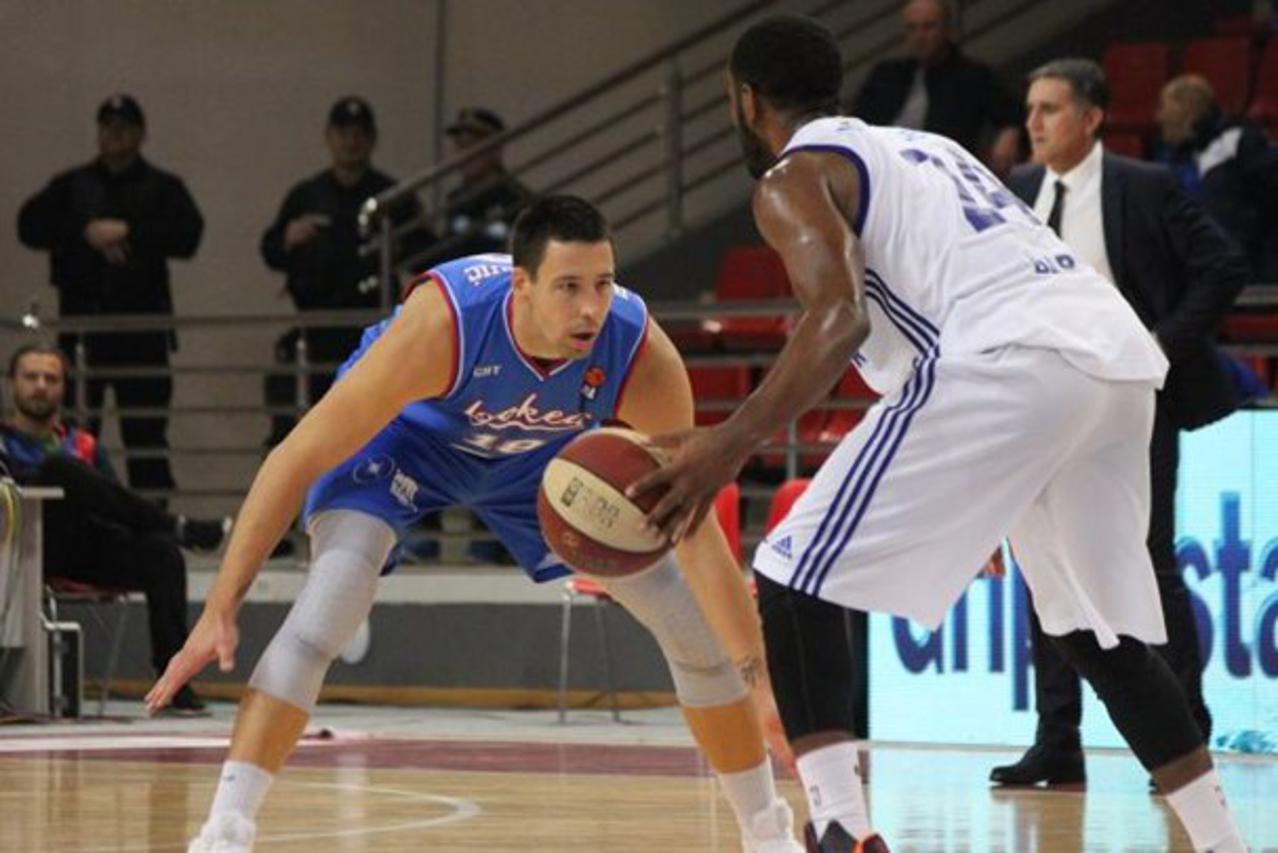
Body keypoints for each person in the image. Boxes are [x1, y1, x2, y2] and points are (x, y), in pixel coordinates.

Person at [631, 15, 1249, 852]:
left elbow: (840, 317)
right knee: (1093, 633)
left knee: (789, 571)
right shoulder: (928, 147)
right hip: (1110, 361)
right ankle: (1224, 842)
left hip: (1007, 363)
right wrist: (981, 485)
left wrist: (725, 443)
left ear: (746, 101)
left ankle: (840, 827)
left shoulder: (792, 176)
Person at [147, 196, 802, 853]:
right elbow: (293, 459)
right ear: (523, 286)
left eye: (602, 284)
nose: (590, 308)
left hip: (539, 465)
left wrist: (762, 683)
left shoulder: (637, 351)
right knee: (332, 602)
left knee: (684, 618)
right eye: (568, 287)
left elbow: (696, 532)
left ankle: (768, 834)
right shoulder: (445, 324)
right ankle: (224, 832)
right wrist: (222, 605)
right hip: (404, 440)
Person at [985, 59, 1251, 790]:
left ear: (1093, 117)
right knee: (1044, 564)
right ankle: (1057, 740)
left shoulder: (1146, 185)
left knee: (1150, 557)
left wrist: (1162, 344)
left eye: (1050, 109)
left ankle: (1186, 736)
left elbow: (1223, 266)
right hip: (1045, 400)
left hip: (1133, 396)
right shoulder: (1016, 190)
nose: (1033, 123)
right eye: (1030, 108)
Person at [1, 344, 229, 715]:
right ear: (12, 384)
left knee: (161, 553)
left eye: (51, 378)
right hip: (23, 554)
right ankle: (176, 525)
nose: (40, 386)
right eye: (31, 377)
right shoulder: (3, 444)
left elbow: (118, 505)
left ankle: (174, 682)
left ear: (64, 387)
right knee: (58, 468)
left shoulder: (84, 445)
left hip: (87, 549)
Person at [17, 94, 203, 498]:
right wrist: (83, 230)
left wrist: (130, 230)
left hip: (142, 331)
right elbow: (28, 224)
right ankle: (79, 516)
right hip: (83, 328)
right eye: (107, 127)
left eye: (122, 128)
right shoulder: (73, 186)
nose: (113, 135)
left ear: (139, 134)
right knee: (75, 436)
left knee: (147, 437)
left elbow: (189, 234)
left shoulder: (161, 187)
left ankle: (153, 522)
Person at [260, 96, 434, 447]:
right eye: (343, 133)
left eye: (359, 133)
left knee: (373, 430)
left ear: (372, 139)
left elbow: (428, 253)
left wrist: (398, 246)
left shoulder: (392, 197)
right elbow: (270, 250)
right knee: (310, 430)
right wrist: (288, 237)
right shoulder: (307, 195)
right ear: (328, 137)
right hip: (317, 329)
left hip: (372, 328)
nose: (351, 141)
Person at [851, 0, 1022, 176]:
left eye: (928, 27)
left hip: (940, 172)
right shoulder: (886, 74)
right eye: (912, 28)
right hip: (883, 166)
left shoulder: (972, 76)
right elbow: (856, 122)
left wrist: (1010, 133)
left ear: (948, 30)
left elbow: (1014, 113)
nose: (919, 36)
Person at [1156, 74, 1278, 282]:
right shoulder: (1172, 158)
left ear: (1188, 110)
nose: (1159, 117)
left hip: (1249, 269)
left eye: (1165, 108)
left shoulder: (1238, 141)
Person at [436, 106, 533, 260]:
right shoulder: (455, 199)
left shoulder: (517, 200)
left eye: (472, 146)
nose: (465, 155)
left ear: (495, 150)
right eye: (460, 146)